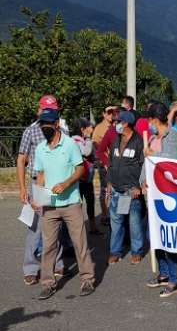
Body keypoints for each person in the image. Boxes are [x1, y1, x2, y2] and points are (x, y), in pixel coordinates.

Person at [33, 108, 96, 300]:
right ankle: (47, 283)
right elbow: (40, 174)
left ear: (56, 124)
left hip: (70, 203)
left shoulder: (70, 145)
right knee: (49, 245)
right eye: (42, 125)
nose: (44, 128)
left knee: (79, 243)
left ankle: (87, 279)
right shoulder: (40, 148)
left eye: (48, 124)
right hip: (49, 205)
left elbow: (80, 170)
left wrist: (66, 183)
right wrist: (37, 196)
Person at [16, 96, 65, 286]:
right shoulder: (30, 131)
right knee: (35, 227)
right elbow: (21, 159)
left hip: (57, 183)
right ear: (39, 110)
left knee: (56, 223)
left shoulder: (61, 129)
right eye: (46, 109)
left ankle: (57, 262)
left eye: (53, 109)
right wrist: (22, 188)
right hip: (37, 182)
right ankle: (30, 268)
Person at [141, 102, 177, 297]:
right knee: (154, 236)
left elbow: (171, 160)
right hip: (152, 195)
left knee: (168, 237)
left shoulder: (173, 135)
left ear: (154, 119)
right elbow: (146, 164)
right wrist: (143, 181)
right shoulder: (152, 137)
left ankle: (174, 278)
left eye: (149, 119)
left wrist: (153, 154)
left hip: (168, 194)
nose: (148, 123)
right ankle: (164, 273)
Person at [106, 111, 145, 265]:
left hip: (131, 190)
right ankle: (115, 251)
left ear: (126, 123)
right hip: (117, 189)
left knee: (134, 223)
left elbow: (143, 165)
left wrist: (138, 186)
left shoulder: (139, 142)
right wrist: (109, 181)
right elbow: (111, 162)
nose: (115, 125)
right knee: (116, 222)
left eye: (118, 122)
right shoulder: (115, 140)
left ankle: (137, 251)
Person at [71, 118, 99, 234]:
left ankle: (92, 227)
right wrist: (88, 138)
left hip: (87, 178)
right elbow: (86, 151)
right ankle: (77, 229)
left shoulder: (83, 140)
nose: (91, 129)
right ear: (82, 129)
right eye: (88, 127)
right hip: (79, 179)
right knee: (77, 205)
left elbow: (93, 155)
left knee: (90, 203)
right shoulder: (74, 141)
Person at [93, 106, 117, 226]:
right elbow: (96, 145)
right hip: (104, 164)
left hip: (115, 164)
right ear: (103, 114)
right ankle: (104, 214)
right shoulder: (99, 128)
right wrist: (105, 161)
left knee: (112, 190)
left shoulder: (115, 127)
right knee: (104, 190)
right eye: (108, 112)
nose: (111, 115)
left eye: (113, 112)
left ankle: (111, 213)